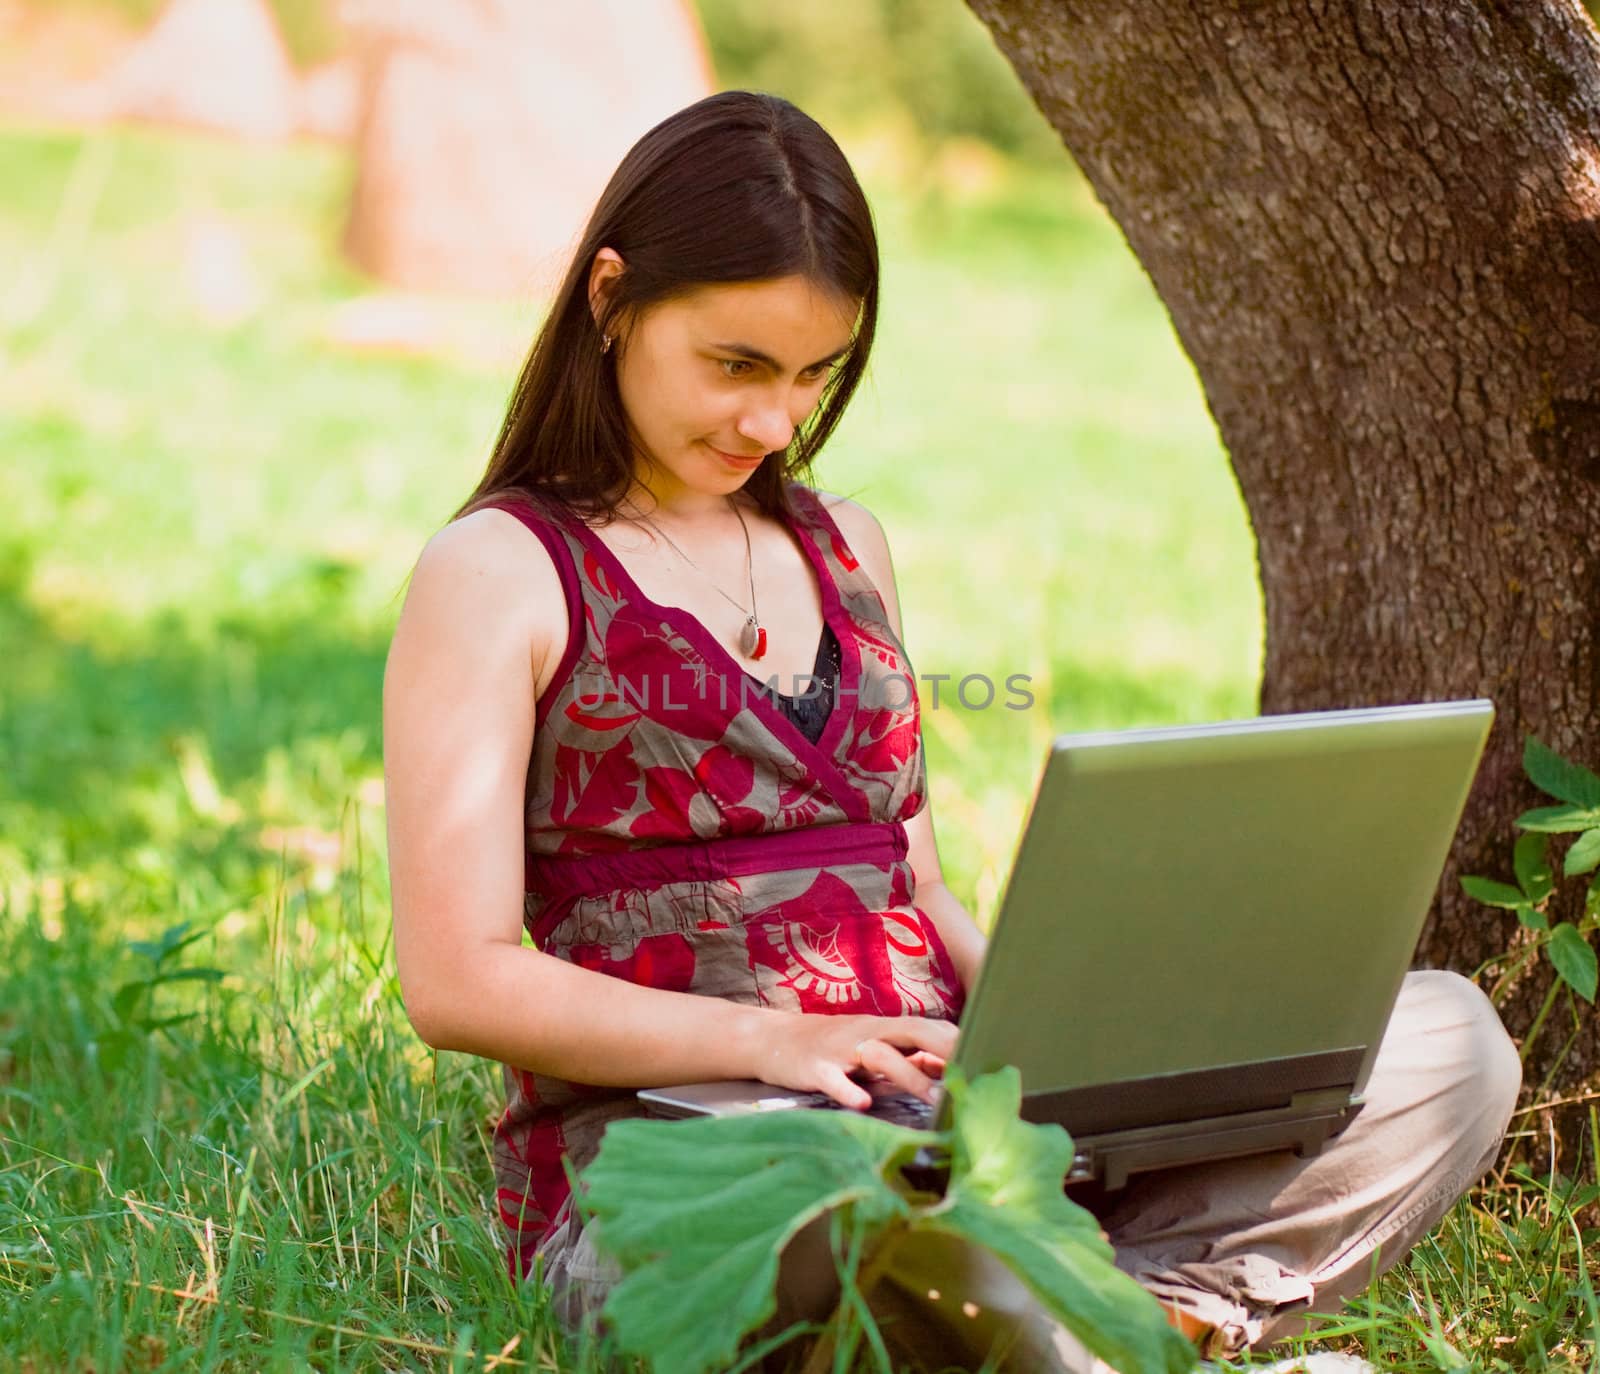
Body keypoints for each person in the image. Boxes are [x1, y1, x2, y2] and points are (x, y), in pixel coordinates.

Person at [382, 90, 1522, 1371]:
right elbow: (458, 977)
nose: (774, 423)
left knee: (1449, 1043)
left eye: (815, 375)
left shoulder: (845, 546)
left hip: (951, 1112)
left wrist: (1052, 1033)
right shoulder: (501, 571)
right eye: (737, 365)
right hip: (706, 1161)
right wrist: (779, 1043)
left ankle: (1112, 1317)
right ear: (609, 300)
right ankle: (1072, 1316)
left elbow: (911, 879)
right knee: (859, 1193)